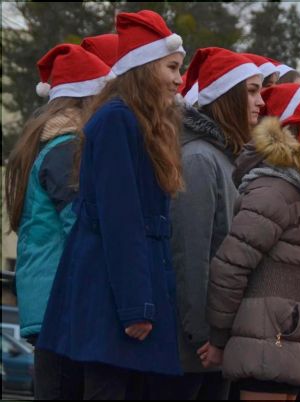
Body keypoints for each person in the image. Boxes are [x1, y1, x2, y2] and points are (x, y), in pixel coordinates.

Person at [36, 10, 186, 399]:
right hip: (112, 295)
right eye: (171, 67)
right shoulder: (117, 120)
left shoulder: (138, 122)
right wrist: (136, 305)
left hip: (126, 290)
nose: (179, 79)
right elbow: (121, 220)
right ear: (145, 67)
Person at [202, 84, 300, 400]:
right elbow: (229, 267)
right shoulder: (276, 194)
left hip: (282, 341)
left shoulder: (299, 197)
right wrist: (219, 337)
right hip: (265, 344)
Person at [5, 43, 114, 400]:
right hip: (65, 305)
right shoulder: (68, 148)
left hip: (50, 303)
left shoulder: (47, 143)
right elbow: (80, 230)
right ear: (90, 99)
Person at [169, 47, 264, 400]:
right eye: (252, 91)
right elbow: (190, 255)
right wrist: (204, 333)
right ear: (227, 97)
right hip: (196, 349)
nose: (261, 102)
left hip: (217, 342)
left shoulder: (225, 158)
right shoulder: (199, 160)